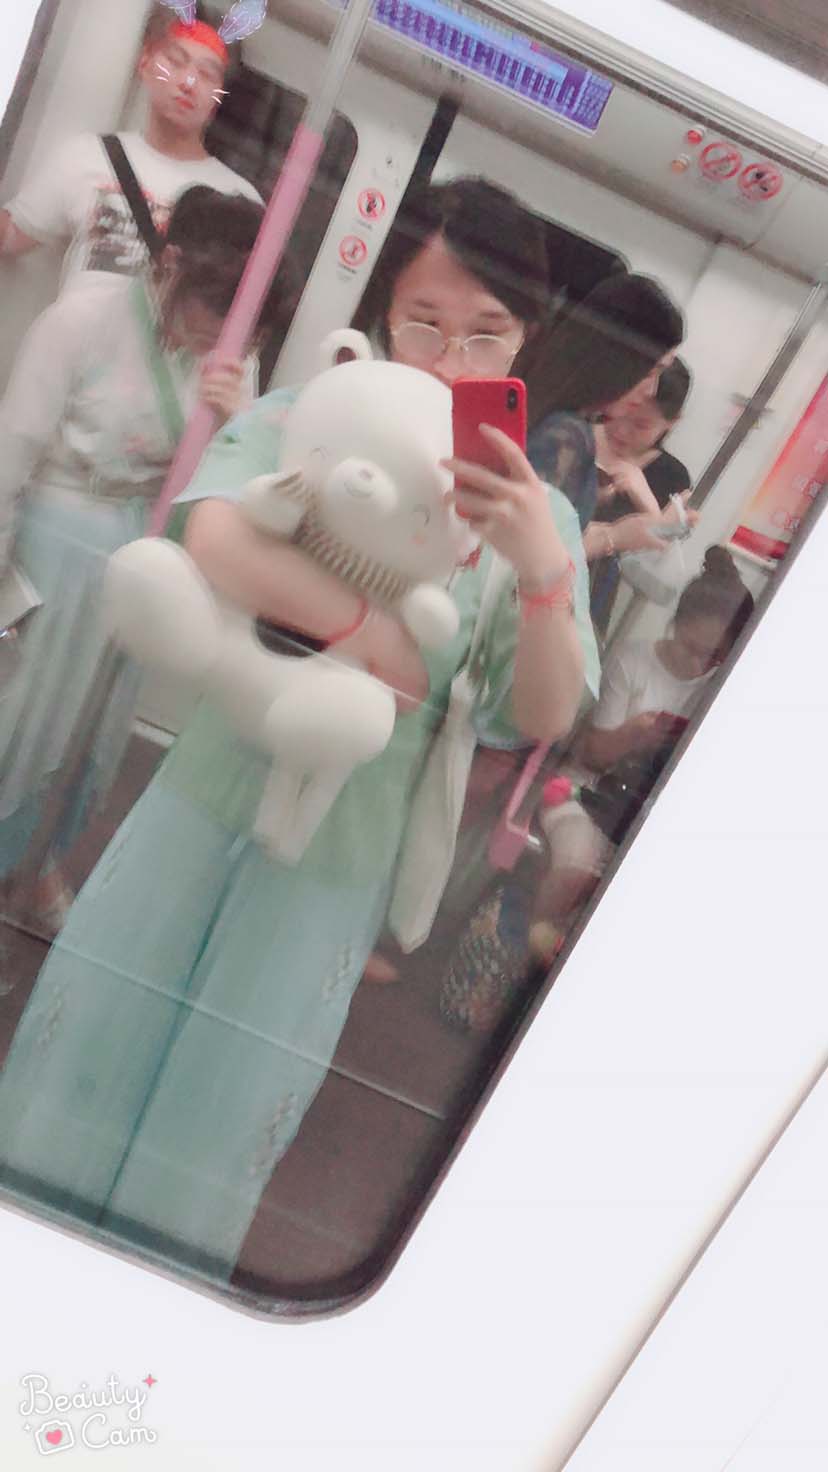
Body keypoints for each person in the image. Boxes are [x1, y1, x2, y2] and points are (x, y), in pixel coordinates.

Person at [0, 176, 600, 1280]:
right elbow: (217, 540)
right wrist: (384, 643)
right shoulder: (316, 410)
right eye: (424, 321)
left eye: (486, 332)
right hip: (202, 793)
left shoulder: (541, 512)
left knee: (226, 1105)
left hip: (340, 858)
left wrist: (542, 574)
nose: (449, 358)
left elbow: (542, 712)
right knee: (88, 1033)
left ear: (525, 342)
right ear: (383, 315)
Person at [0, 186, 291, 931]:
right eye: (209, 310)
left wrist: (237, 426)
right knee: (24, 719)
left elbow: (230, 499)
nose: (222, 335)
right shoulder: (82, 320)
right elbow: (11, 454)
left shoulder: (232, 352)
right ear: (169, 265)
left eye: (242, 324)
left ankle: (34, 864)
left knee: (93, 729)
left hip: (141, 544)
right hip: (56, 531)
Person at [535, 546, 754, 928]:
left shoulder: (717, 688)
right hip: (585, 792)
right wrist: (633, 735)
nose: (699, 664)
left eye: (714, 657)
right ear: (676, 623)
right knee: (578, 869)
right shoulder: (634, 662)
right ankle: (530, 945)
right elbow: (592, 756)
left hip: (638, 810)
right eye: (692, 648)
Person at [0, 6, 260, 289]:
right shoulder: (88, 157)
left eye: (207, 74)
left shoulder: (238, 201)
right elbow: (11, 235)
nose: (188, 83)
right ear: (145, 62)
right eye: (175, 61)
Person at [525, 272, 687, 571]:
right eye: (651, 371)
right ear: (620, 361)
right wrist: (614, 537)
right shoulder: (567, 434)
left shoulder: (560, 416)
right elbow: (527, 560)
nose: (651, 390)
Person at [590, 357, 694, 637]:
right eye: (620, 411)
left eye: (641, 425)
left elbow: (655, 576)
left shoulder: (671, 477)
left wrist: (647, 503)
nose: (621, 431)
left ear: (671, 423)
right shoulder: (573, 433)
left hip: (588, 601)